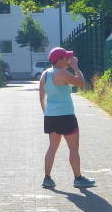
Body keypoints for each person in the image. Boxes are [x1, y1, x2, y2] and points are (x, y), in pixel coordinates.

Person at [39, 47, 96, 189]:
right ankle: (78, 178)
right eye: (66, 58)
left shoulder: (45, 74)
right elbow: (82, 82)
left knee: (52, 147)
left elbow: (41, 97)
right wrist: (75, 66)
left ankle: (47, 178)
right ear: (59, 60)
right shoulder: (62, 73)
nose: (69, 59)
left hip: (51, 116)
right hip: (66, 115)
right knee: (73, 148)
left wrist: (46, 113)